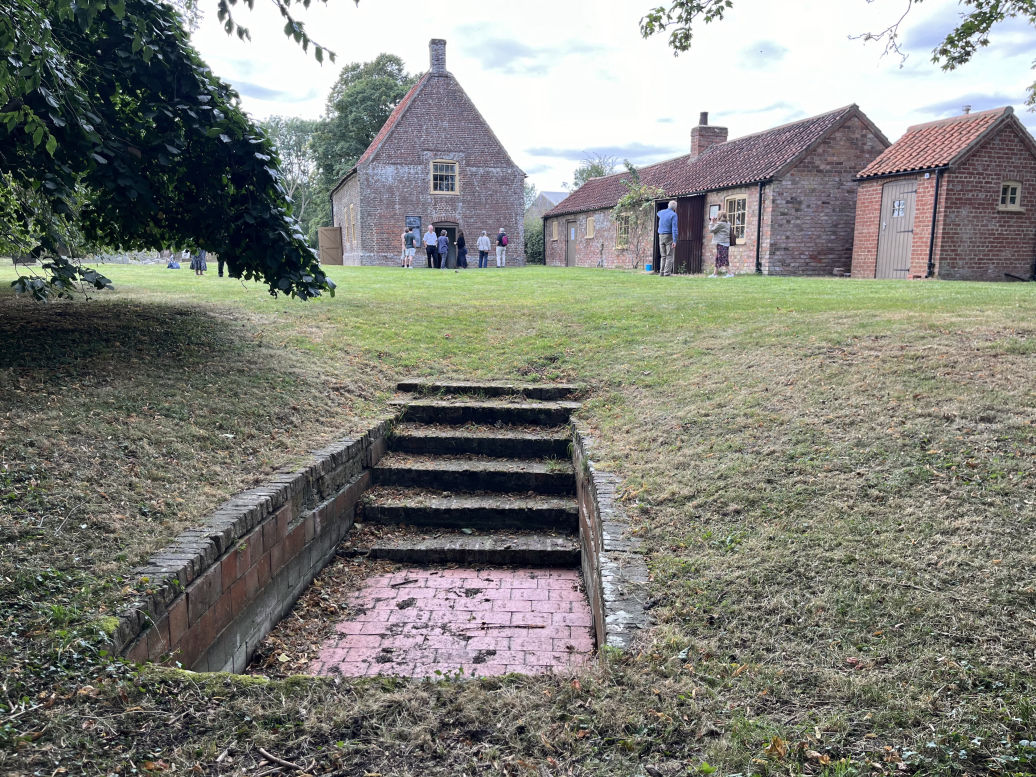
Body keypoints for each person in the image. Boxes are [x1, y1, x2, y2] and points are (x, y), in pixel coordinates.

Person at [708, 211, 733, 277]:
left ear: (719, 216)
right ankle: (715, 274)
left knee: (723, 259)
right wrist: (715, 222)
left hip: (721, 243)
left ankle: (730, 274)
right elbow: (718, 228)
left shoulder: (720, 224)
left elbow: (711, 230)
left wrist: (711, 222)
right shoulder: (727, 223)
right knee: (718, 258)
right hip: (725, 243)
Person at [657, 201, 678, 276]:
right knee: (669, 255)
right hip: (668, 236)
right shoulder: (673, 215)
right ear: (675, 208)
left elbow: (658, 213)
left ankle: (661, 272)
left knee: (663, 255)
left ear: (668, 206)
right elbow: (674, 229)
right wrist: (675, 240)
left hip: (660, 235)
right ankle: (667, 273)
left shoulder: (662, 212)